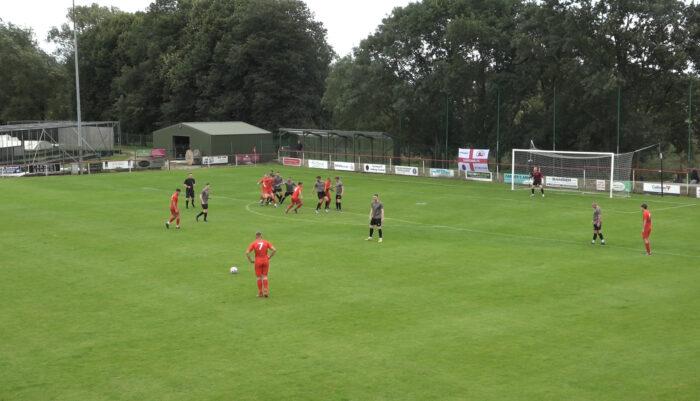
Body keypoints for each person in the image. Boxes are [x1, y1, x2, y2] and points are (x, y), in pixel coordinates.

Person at [245, 232, 277, 297]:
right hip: (265, 260)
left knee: (259, 277)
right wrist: (269, 257)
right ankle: (266, 291)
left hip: (258, 261)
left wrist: (250, 260)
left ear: (256, 236)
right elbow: (274, 250)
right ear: (261, 236)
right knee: (265, 276)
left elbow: (247, 253)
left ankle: (260, 293)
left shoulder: (253, 243)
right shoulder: (266, 242)